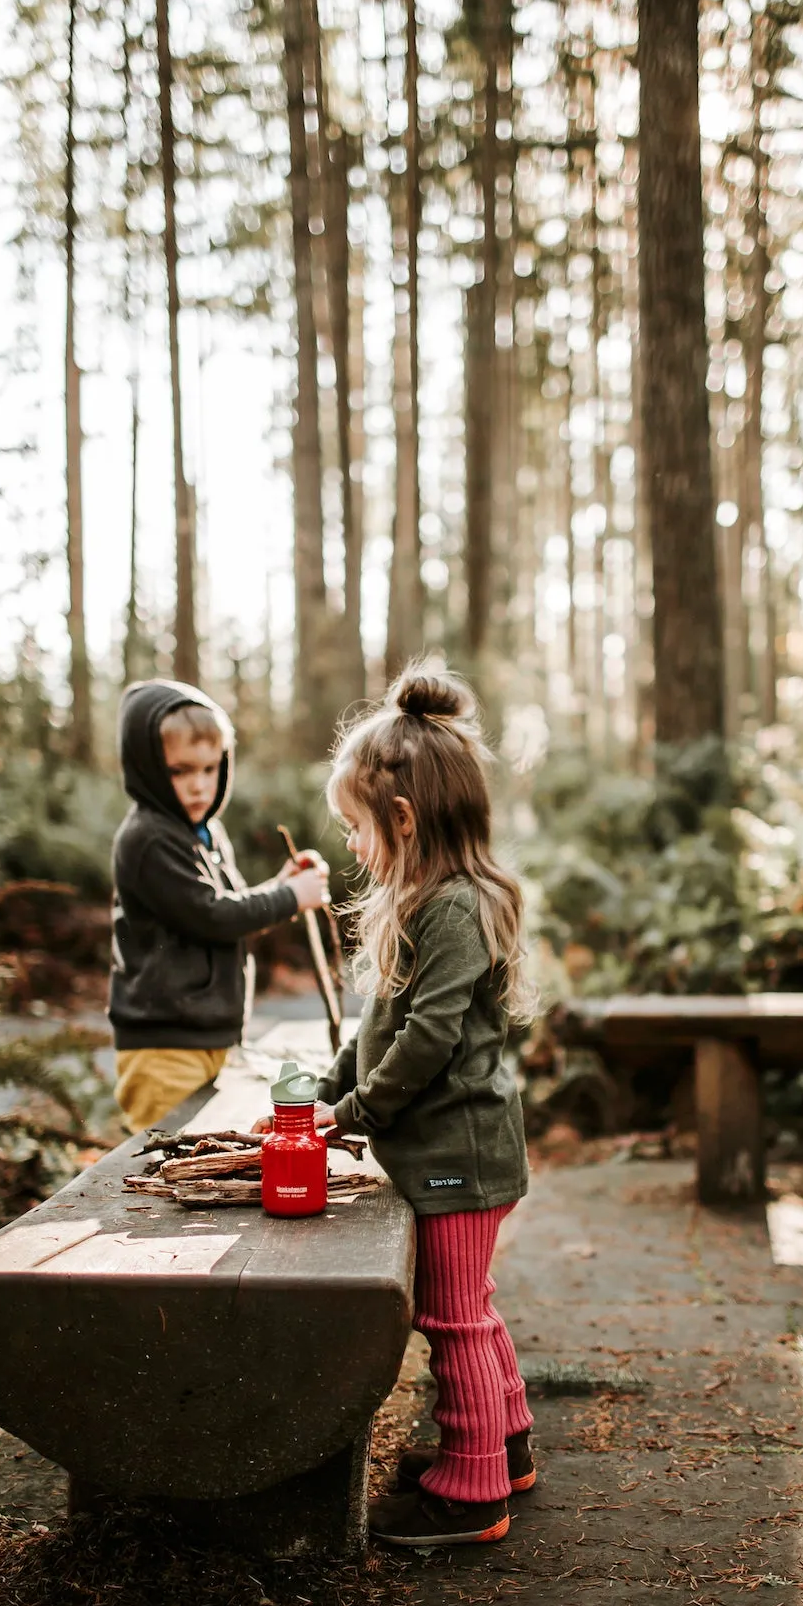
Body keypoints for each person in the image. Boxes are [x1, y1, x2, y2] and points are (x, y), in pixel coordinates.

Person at [316, 664, 538, 1549]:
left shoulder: (454, 908)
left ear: (402, 820)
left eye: (357, 830)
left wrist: (358, 1112)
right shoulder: (425, 900)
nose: (354, 847)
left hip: (461, 1153)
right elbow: (381, 1020)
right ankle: (505, 1445)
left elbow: (429, 1038)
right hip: (454, 1151)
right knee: (471, 1307)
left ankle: (471, 1491)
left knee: (452, 1320)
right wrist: (333, 1087)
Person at [110, 678, 328, 1132]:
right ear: (148, 767)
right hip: (163, 1047)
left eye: (211, 769)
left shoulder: (205, 834)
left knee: (204, 1164)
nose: (199, 786)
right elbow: (214, 915)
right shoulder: (148, 839)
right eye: (181, 771)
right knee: (164, 1169)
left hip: (208, 1039)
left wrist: (281, 885)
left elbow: (232, 910)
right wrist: (291, 896)